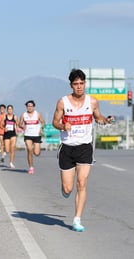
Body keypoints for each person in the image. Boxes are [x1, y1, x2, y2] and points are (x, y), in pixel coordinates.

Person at [52, 69, 114, 232]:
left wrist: (105, 120)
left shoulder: (92, 102)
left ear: (85, 84)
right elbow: (54, 122)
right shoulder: (63, 102)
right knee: (68, 189)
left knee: (82, 183)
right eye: (76, 84)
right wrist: (63, 125)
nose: (79, 87)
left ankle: (77, 219)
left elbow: (98, 117)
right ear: (71, 85)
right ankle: (65, 188)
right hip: (67, 148)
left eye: (81, 83)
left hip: (85, 148)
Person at [18, 100, 45, 174]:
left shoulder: (37, 114)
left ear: (33, 107)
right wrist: (22, 126)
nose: (29, 107)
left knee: (36, 153)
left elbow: (43, 122)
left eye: (31, 106)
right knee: (29, 150)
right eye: (28, 106)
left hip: (36, 135)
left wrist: (41, 128)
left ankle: (36, 149)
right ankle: (31, 167)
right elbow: (19, 124)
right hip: (28, 135)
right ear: (26, 107)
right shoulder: (23, 115)